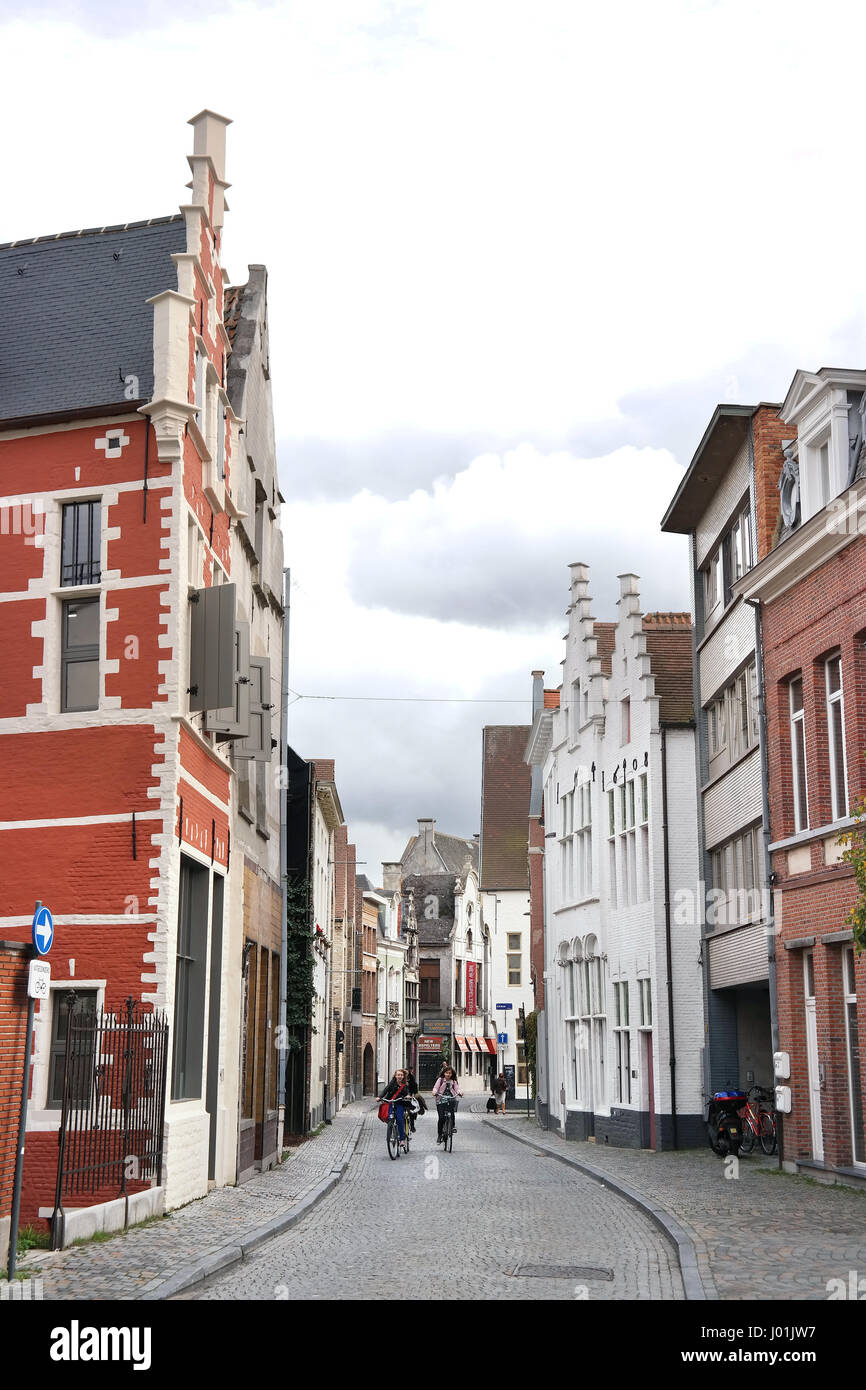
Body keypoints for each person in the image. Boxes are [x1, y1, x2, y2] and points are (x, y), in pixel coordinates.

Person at [378, 1069, 413, 1149]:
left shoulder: (405, 1085)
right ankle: (391, 1131)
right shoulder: (392, 1083)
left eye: (401, 1075)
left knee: (399, 1119)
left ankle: (402, 1139)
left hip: (400, 1104)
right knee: (390, 1117)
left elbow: (408, 1092)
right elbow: (385, 1090)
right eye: (398, 1075)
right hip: (391, 1103)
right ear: (395, 1076)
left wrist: (407, 1096)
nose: (400, 1076)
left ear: (403, 1076)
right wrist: (380, 1097)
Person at [433, 1067, 463, 1142]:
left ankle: (452, 1126)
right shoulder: (440, 1080)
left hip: (451, 1099)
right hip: (441, 1099)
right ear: (444, 1073)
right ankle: (439, 1135)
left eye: (450, 1073)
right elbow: (436, 1088)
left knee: (452, 1114)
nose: (448, 1074)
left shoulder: (454, 1081)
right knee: (441, 1118)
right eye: (447, 1073)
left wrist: (460, 1092)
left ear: (452, 1074)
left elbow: (457, 1088)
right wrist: (434, 1092)